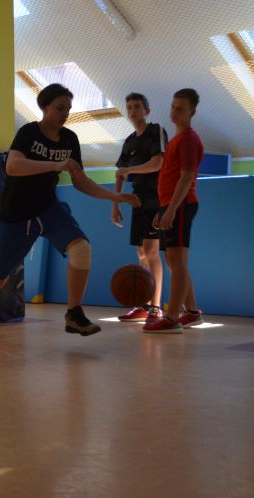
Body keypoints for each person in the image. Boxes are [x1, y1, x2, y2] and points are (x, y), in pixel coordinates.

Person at [0, 83, 140, 339]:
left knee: (81, 249)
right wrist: (54, 165)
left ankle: (74, 314)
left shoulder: (70, 139)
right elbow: (13, 166)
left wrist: (114, 196)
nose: (64, 113)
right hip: (16, 214)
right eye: (59, 108)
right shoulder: (29, 132)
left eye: (68, 109)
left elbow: (80, 181)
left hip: (48, 208)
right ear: (45, 108)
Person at [143, 89, 204, 333]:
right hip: (170, 205)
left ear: (192, 112)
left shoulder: (189, 138)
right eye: (173, 107)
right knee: (173, 261)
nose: (174, 112)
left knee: (177, 261)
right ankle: (191, 312)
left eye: (180, 108)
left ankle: (171, 319)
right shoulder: (176, 139)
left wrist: (171, 209)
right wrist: (163, 209)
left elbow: (187, 177)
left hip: (181, 205)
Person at [112, 93, 169, 325]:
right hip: (137, 200)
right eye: (129, 107)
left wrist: (129, 170)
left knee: (152, 252)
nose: (133, 110)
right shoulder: (128, 142)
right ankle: (144, 304)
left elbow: (158, 163)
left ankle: (155, 308)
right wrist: (115, 204)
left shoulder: (156, 131)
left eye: (137, 106)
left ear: (147, 110)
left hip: (156, 198)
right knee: (141, 253)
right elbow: (119, 173)